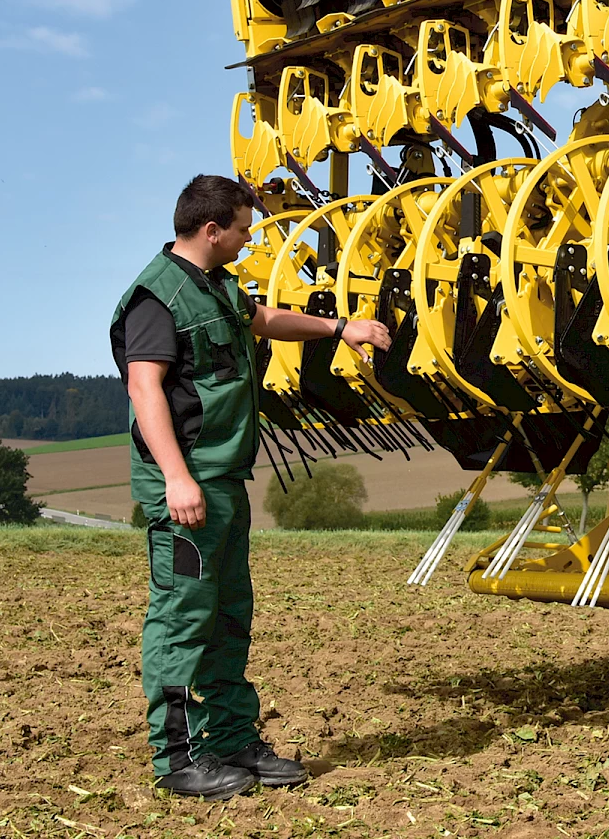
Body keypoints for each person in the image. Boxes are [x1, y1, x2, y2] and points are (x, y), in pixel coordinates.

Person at [110, 175, 391, 800]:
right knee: (183, 618)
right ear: (212, 230)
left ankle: (232, 739)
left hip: (224, 483)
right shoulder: (156, 299)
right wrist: (178, 477)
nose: (246, 239)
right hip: (186, 489)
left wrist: (340, 328)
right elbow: (144, 389)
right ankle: (178, 759)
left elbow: (262, 318)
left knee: (230, 616)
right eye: (241, 228)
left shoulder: (219, 288)